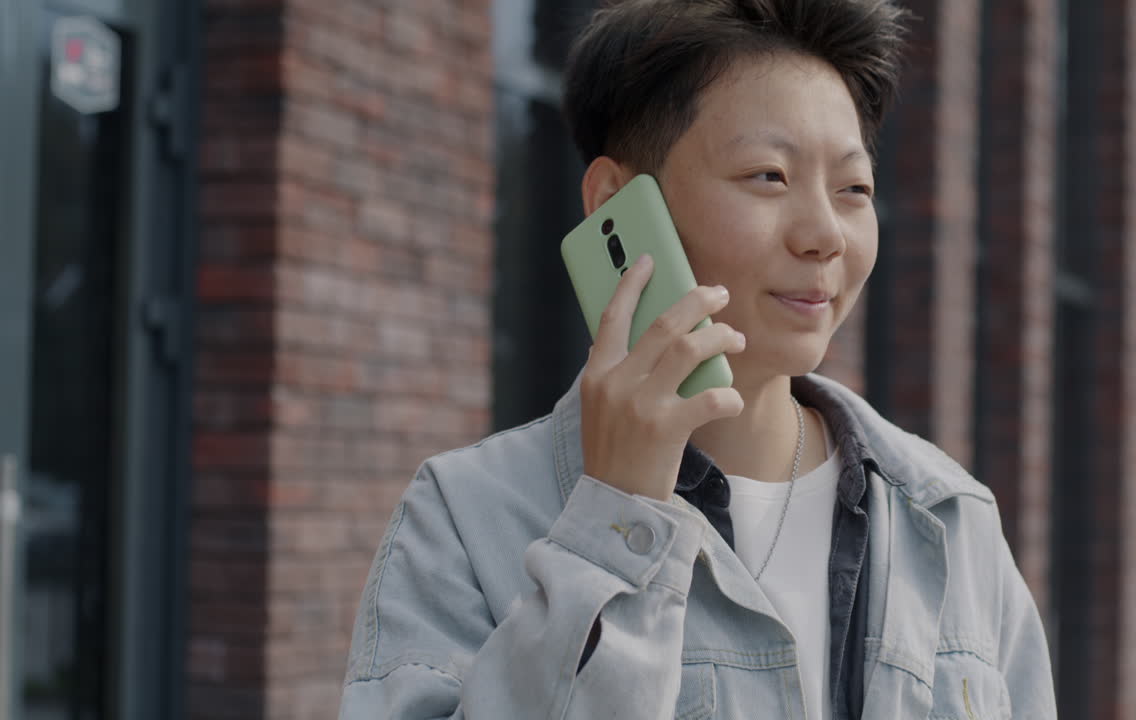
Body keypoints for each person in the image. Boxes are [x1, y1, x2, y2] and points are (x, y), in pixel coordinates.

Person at [339, 0, 1057, 717]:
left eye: (854, 189)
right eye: (768, 176)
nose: (824, 235)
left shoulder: (948, 518)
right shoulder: (466, 516)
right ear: (616, 205)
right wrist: (612, 527)